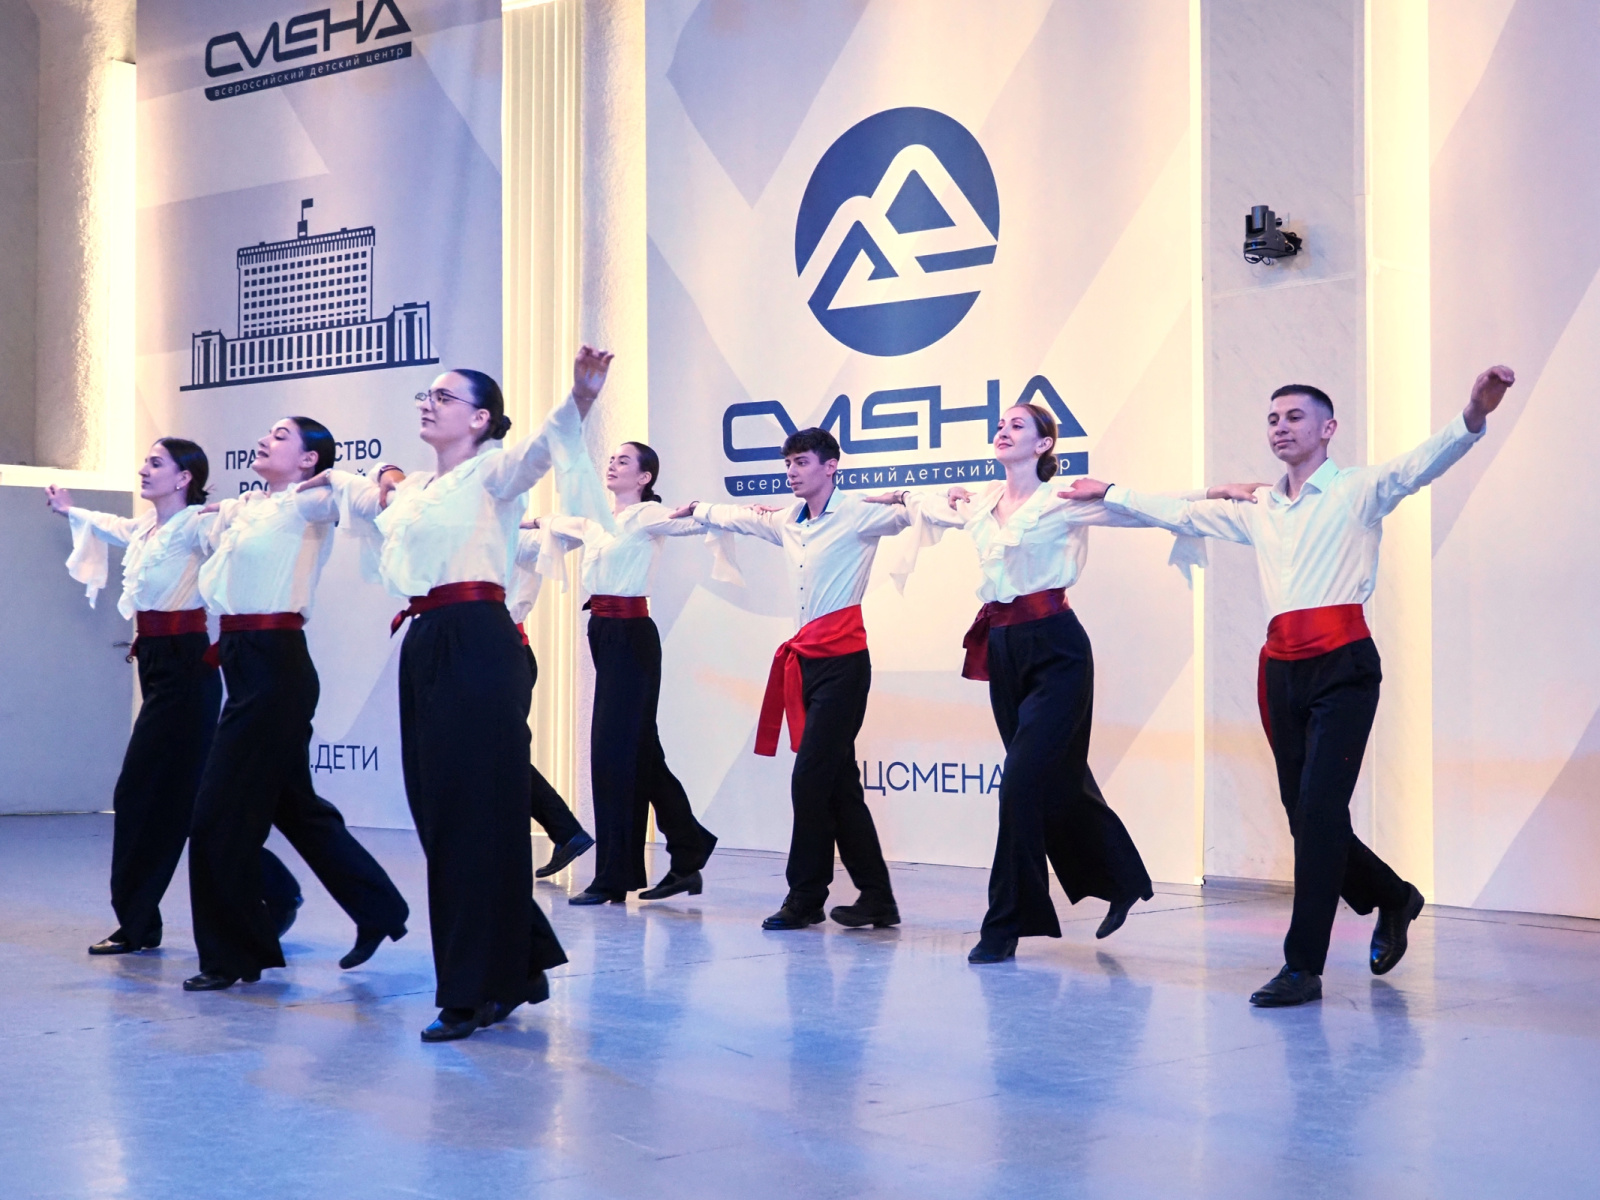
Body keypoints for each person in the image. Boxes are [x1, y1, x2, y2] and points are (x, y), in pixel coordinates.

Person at [1065, 366, 1515, 1006]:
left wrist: (1473, 414)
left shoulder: (1358, 489)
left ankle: (1303, 967)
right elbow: (1183, 514)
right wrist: (1113, 489)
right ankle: (1393, 896)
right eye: (1273, 419)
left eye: (1295, 417)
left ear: (1328, 429)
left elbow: (1421, 464)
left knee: (1322, 812)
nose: (1281, 427)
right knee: (1305, 818)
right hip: (1280, 672)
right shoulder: (1262, 509)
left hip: (1343, 668)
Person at [320, 349, 609, 1042]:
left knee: (475, 818)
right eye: (426, 395)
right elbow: (354, 489)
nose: (428, 403)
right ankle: (520, 961)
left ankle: (472, 992)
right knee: (442, 816)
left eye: (444, 397)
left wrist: (579, 398)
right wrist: (374, 475)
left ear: (480, 419)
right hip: (425, 638)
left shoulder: (494, 470)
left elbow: (540, 451)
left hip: (478, 639)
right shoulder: (417, 488)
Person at [873, 403, 1181, 964]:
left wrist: (1211, 495)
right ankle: (1120, 877)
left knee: (1018, 783)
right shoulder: (981, 501)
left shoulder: (1063, 499)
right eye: (1001, 424)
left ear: (1043, 445)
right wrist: (900, 495)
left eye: (1018, 425)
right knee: (1055, 778)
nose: (1004, 430)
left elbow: (1145, 512)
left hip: (1057, 649)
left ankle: (1005, 924)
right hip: (1003, 646)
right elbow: (929, 506)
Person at [45, 441, 302, 957]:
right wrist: (70, 510)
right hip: (157, 663)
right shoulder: (147, 528)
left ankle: (154, 919)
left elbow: (242, 532)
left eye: (156, 463)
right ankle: (258, 896)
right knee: (180, 803)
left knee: (145, 796)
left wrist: (271, 501)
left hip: (188, 667)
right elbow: (113, 527)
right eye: (145, 461)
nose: (144, 469)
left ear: (185, 478)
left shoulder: (195, 525)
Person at [182, 417, 410, 993]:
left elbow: (367, 501)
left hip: (274, 668)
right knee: (297, 808)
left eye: (282, 436)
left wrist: (383, 474)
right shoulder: (248, 508)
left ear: (309, 460)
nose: (265, 439)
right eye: (267, 432)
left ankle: (232, 956)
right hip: (243, 661)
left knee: (216, 818)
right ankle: (380, 907)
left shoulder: (310, 502)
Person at [670, 428, 908, 932]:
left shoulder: (859, 514)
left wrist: (909, 495)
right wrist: (700, 510)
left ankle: (805, 897)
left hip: (844, 664)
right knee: (839, 787)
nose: (792, 472)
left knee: (810, 780)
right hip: (807, 663)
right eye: (788, 464)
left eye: (801, 462)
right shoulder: (789, 521)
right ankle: (877, 898)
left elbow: (919, 514)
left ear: (830, 466)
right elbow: (744, 518)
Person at [523, 438, 717, 906]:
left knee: (614, 756)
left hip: (633, 638)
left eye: (624, 461)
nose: (613, 465)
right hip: (603, 634)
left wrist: (714, 511)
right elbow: (553, 523)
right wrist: (525, 521)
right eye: (612, 459)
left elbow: (692, 522)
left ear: (645, 477)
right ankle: (688, 846)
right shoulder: (595, 521)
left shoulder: (649, 515)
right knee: (639, 753)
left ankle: (615, 876)